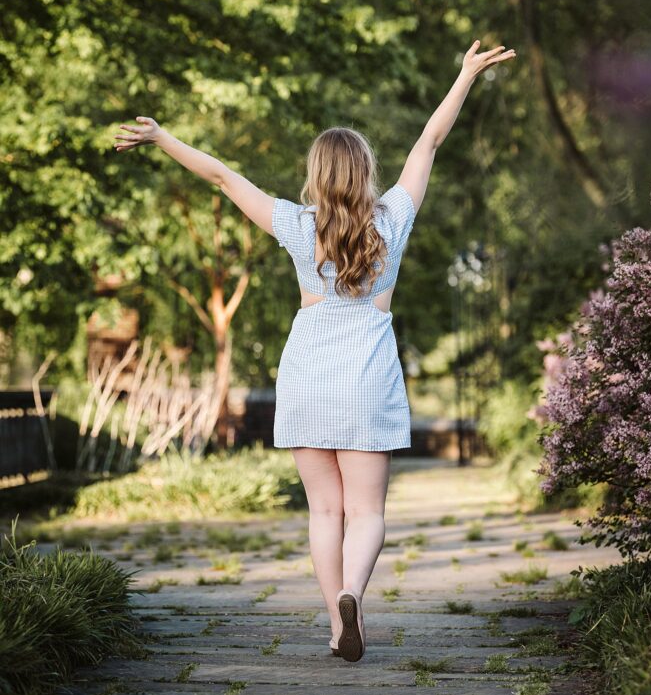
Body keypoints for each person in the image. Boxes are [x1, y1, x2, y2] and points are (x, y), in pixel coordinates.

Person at [114, 39, 516, 662]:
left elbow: (222, 176)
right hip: (367, 378)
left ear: (317, 175)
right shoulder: (392, 219)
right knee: (367, 510)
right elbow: (429, 142)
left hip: (307, 375)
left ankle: (337, 626)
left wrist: (164, 138)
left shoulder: (298, 225)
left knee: (324, 511)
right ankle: (355, 592)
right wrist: (463, 75)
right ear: (364, 173)